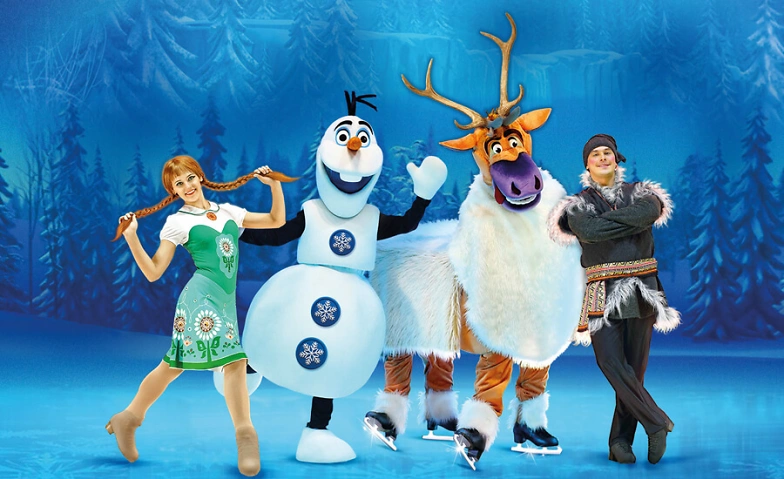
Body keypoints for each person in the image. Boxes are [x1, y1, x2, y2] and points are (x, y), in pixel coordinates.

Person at [106, 155, 289, 477]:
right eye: (178, 183)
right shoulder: (177, 222)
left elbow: (276, 220)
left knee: (174, 365)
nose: (187, 186)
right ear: (173, 191)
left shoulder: (228, 211)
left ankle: (129, 417)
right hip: (199, 301)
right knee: (233, 362)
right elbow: (153, 272)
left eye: (190, 177)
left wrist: (274, 185)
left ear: (200, 177)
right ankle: (246, 436)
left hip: (224, 302)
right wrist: (132, 236)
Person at [548, 134, 680, 464]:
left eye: (607, 152)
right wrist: (627, 222)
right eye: (595, 154)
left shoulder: (644, 194)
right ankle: (656, 422)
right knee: (609, 361)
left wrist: (604, 224)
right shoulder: (576, 204)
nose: (603, 157)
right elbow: (588, 232)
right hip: (600, 293)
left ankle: (619, 443)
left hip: (641, 288)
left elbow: (645, 214)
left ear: (617, 158)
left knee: (634, 371)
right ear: (587, 164)